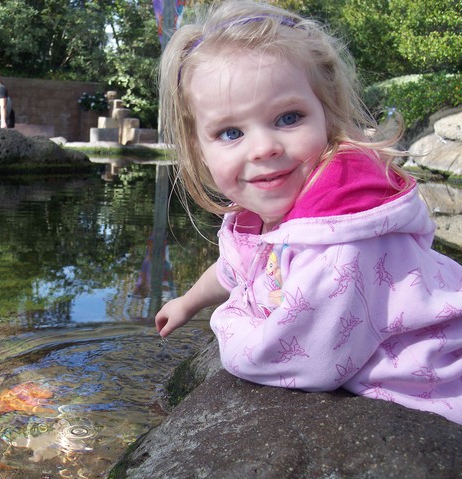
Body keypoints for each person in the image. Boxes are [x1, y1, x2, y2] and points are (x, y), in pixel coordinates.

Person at [155, 0, 462, 424]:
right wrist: (188, 303)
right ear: (198, 149)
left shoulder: (340, 240)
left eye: (288, 117)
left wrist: (229, 318)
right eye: (230, 132)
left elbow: (304, 361)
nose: (263, 147)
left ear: (327, 113)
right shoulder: (275, 214)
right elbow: (236, 267)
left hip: (445, 386)